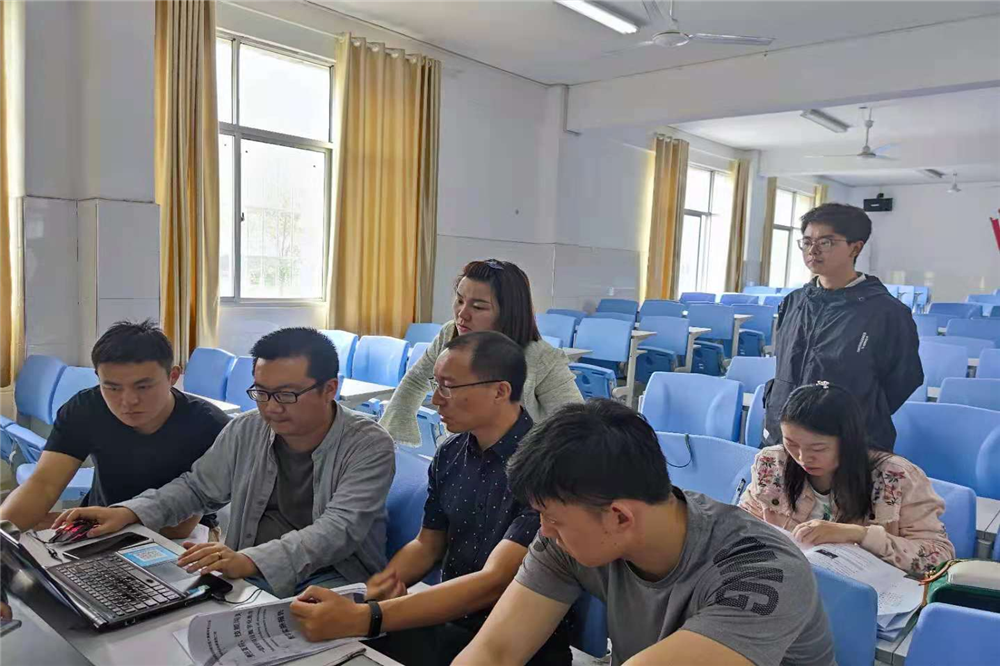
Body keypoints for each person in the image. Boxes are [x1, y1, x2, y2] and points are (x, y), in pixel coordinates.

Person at [455, 400, 836, 666]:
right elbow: (495, 652)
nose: (544, 531)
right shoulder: (570, 533)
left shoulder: (763, 572)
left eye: (552, 518)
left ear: (620, 517)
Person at [290, 332, 570, 666]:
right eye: (435, 385)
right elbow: (427, 544)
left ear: (500, 391)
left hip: (518, 641)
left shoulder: (545, 468)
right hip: (448, 622)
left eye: (448, 387)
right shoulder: (451, 452)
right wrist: (376, 589)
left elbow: (495, 581)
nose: (436, 400)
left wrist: (368, 616)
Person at [52, 328, 395, 598]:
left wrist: (249, 560)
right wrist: (129, 512)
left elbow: (338, 530)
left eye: (286, 395)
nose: (271, 407)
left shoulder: (368, 444)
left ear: (329, 389)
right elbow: (197, 488)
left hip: (333, 577)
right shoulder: (248, 428)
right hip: (249, 568)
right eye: (261, 393)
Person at [0, 320, 229, 538]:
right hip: (101, 522)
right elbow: (43, 484)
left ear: (173, 376)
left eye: (143, 387)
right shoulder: (86, 409)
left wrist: (112, 520)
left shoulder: (209, 425)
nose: (128, 401)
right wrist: (4, 530)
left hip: (183, 534)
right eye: (112, 388)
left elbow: (180, 527)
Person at [741, 382, 954, 576]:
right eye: (791, 444)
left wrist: (859, 535)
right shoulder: (773, 462)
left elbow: (939, 558)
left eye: (818, 448)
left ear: (849, 441)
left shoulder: (896, 477)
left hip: (867, 588)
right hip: (788, 578)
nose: (802, 458)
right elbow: (742, 522)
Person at [765, 203, 922, 452]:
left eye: (826, 242)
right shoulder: (793, 302)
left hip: (848, 443)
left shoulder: (887, 313)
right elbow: (783, 363)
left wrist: (857, 414)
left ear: (855, 248)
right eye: (807, 242)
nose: (813, 250)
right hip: (785, 436)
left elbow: (904, 379)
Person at [380, 259, 582, 445]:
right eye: (460, 300)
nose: (462, 314)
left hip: (520, 462)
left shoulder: (543, 359)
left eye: (477, 307)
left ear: (508, 314)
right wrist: (396, 436)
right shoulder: (450, 333)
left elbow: (578, 429)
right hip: (463, 454)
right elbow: (416, 380)